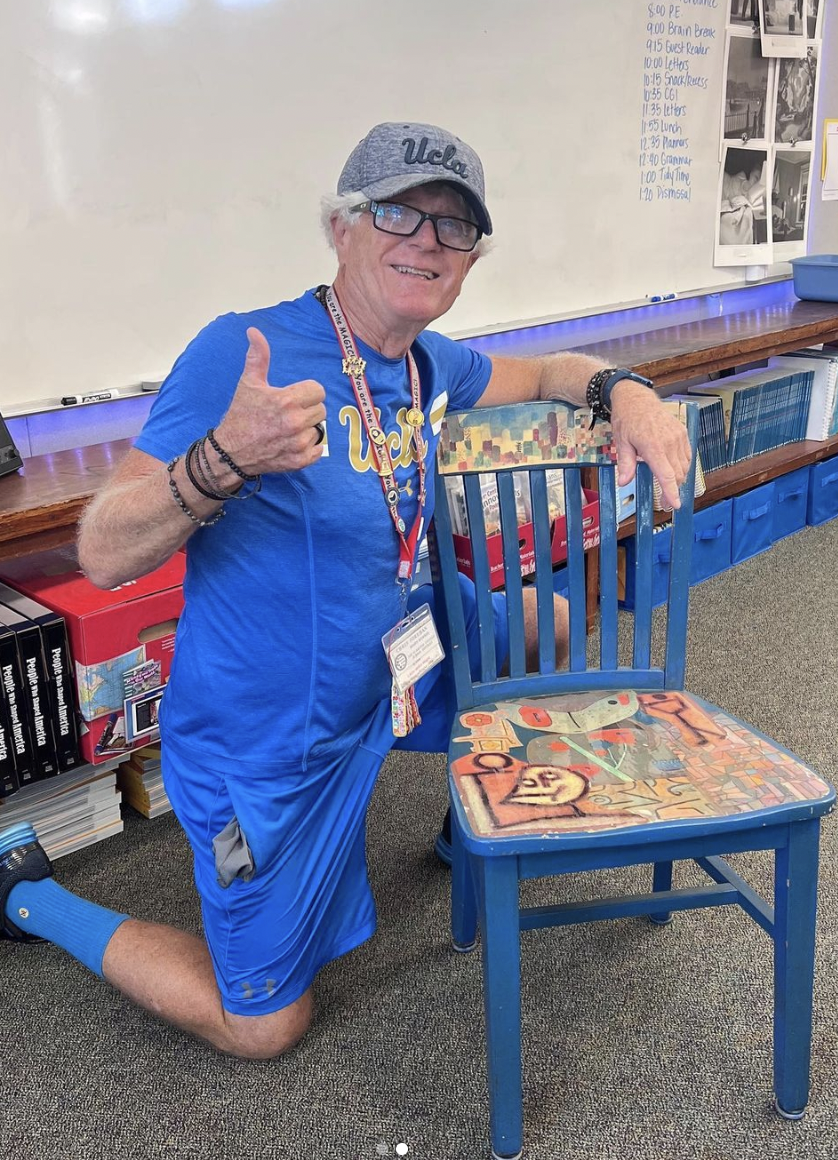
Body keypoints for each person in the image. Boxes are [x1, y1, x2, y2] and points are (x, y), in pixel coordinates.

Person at [0, 121, 691, 1060]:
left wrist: (628, 392)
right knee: (264, 1026)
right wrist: (217, 465)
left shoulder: (426, 362)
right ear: (342, 227)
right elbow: (103, 552)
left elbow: (549, 371)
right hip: (273, 736)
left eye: (453, 228)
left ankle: (463, 831)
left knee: (547, 620)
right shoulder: (241, 352)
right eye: (398, 212)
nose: (426, 241)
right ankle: (31, 897)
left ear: (471, 262)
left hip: (396, 659)